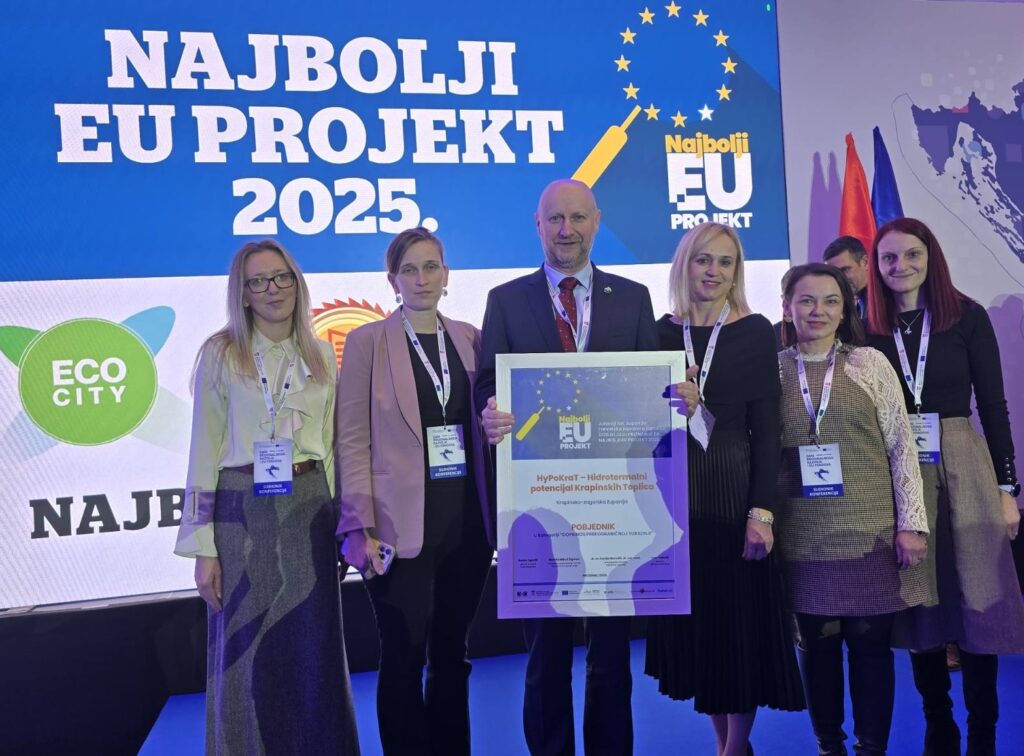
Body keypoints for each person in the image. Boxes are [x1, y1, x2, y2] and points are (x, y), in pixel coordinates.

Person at [474, 178, 658, 756]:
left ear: (596, 222)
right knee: (545, 658)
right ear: (538, 225)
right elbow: (487, 384)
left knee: (612, 658)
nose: (566, 230)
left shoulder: (633, 298)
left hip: (614, 508)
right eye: (555, 219)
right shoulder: (506, 300)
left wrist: (674, 398)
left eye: (577, 218)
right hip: (538, 505)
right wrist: (489, 413)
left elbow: (649, 388)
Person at [174, 239, 359, 755]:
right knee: (242, 651)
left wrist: (344, 524)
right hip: (240, 512)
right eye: (258, 281)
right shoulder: (220, 354)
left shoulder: (320, 355)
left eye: (281, 277)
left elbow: (331, 451)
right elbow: (202, 452)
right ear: (243, 293)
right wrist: (202, 547)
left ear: (297, 283)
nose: (272, 289)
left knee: (314, 649)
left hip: (309, 509)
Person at [865, 217, 1024, 756]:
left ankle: (983, 733)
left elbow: (994, 404)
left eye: (912, 254)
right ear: (876, 266)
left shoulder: (966, 316)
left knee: (979, 599)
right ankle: (939, 723)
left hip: (963, 461)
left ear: (930, 256)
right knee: (920, 602)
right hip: (898, 468)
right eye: (889, 258)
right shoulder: (868, 327)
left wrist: (1007, 488)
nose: (901, 266)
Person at [645, 222, 805, 756]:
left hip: (735, 495)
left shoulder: (754, 331)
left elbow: (768, 431)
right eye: (703, 260)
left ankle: (737, 748)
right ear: (684, 265)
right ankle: (723, 745)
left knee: (738, 631)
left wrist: (762, 512)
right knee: (703, 635)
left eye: (725, 262)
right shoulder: (657, 334)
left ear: (737, 272)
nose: (713, 271)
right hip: (674, 501)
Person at [336, 227, 493, 756]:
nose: (422, 279)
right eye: (410, 270)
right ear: (393, 280)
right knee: (402, 657)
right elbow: (351, 438)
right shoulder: (367, 343)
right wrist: (357, 524)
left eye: (431, 267)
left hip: (467, 526)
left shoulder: (471, 338)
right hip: (394, 529)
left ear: (446, 275)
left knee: (452, 654)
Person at [777, 262, 931, 756]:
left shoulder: (870, 363)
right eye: (806, 300)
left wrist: (913, 523)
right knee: (816, 650)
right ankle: (829, 745)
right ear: (787, 307)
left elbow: (901, 445)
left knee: (870, 652)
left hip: (871, 535)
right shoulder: (772, 369)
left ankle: (871, 749)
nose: (817, 311)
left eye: (831, 301)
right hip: (802, 537)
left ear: (845, 310)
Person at [823, 235, 870, 318]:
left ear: (865, 262)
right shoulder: (856, 305)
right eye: (833, 273)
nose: (839, 278)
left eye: (845, 269)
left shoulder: (885, 303)